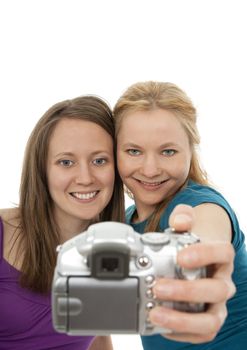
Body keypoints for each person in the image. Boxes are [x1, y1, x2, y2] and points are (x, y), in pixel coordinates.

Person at [113, 81, 247, 349]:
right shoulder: (124, 223)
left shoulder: (202, 204)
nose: (150, 170)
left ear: (191, 149)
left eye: (168, 151)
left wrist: (200, 258)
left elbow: (207, 235)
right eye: (134, 151)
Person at [0, 95, 125, 350]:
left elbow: (99, 336)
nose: (85, 177)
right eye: (66, 162)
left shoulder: (114, 247)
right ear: (42, 171)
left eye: (99, 160)